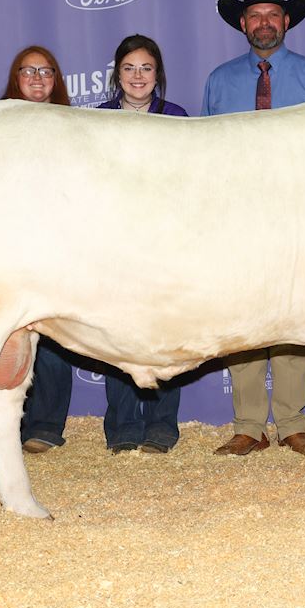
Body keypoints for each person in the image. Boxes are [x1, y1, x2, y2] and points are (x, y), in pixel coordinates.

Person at [202, 0, 305, 456]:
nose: (263, 23)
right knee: (244, 314)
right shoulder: (220, 80)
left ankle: (293, 423)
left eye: (272, 15)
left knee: (296, 317)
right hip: (239, 214)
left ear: (286, 22)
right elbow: (206, 152)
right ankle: (249, 425)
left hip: (300, 213)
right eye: (255, 15)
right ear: (243, 23)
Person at [97, 35, 189, 452]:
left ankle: (162, 426)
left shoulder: (178, 117)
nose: (138, 76)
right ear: (117, 73)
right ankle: (121, 427)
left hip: (166, 242)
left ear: (158, 75)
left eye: (146, 68)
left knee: (166, 330)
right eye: (129, 68)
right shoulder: (95, 120)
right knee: (115, 334)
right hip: (113, 243)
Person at [1, 44, 77, 453]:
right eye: (28, 71)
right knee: (1, 336)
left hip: (56, 242)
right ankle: (3, 424)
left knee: (53, 333)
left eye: (46, 71)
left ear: (56, 80)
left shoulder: (72, 124)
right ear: (16, 78)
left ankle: (46, 425)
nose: (37, 78)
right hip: (8, 242)